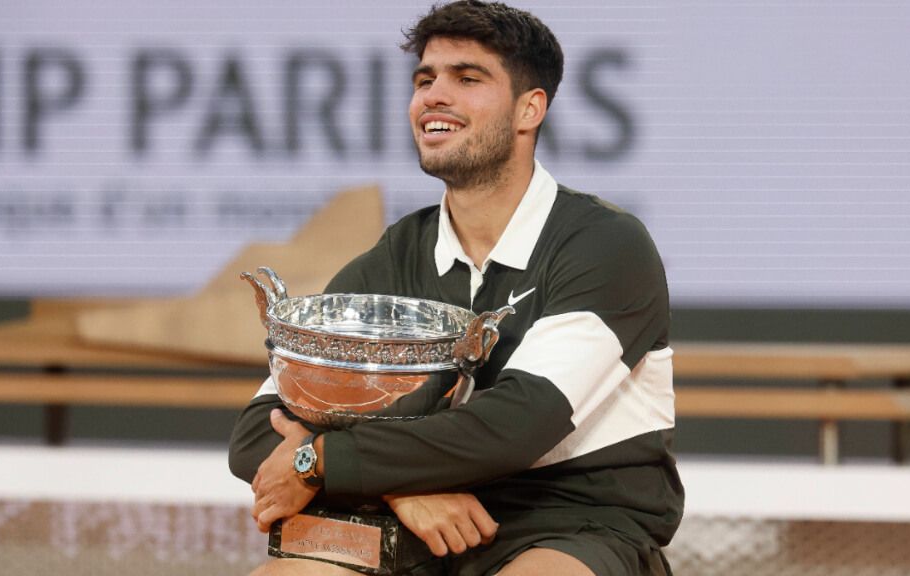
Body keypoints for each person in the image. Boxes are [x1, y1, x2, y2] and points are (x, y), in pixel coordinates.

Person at [228, 1, 683, 574]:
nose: (434, 95)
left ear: (529, 109)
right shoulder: (398, 253)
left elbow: (519, 423)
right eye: (425, 79)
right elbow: (257, 426)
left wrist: (321, 461)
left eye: (467, 78)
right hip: (406, 518)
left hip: (569, 520)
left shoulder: (604, 245)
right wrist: (399, 490)